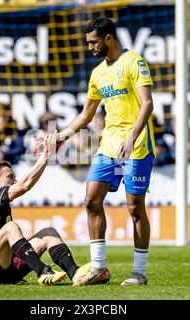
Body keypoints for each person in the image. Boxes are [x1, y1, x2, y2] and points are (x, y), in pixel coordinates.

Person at [56, 17, 155, 286]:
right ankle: (98, 267)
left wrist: (132, 137)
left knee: (135, 208)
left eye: (93, 42)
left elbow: (147, 104)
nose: (90, 47)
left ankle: (139, 273)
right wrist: (61, 136)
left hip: (136, 147)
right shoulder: (98, 73)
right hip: (109, 147)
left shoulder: (135, 63)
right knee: (91, 200)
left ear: (108, 38)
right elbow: (87, 115)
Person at [0, 131, 91, 285]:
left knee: (49, 233)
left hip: (0, 266)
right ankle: (43, 271)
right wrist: (45, 156)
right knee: (11, 227)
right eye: (10, 177)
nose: (14, 180)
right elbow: (24, 186)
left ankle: (75, 274)